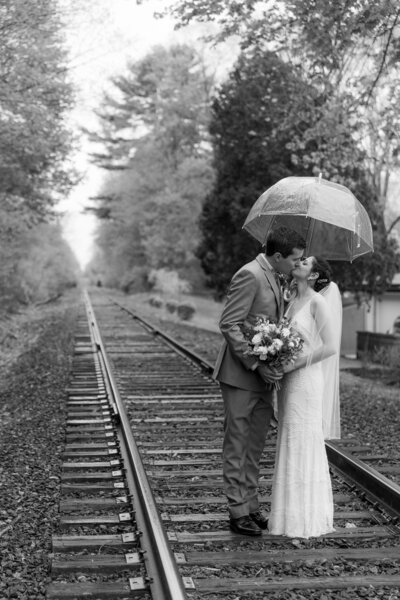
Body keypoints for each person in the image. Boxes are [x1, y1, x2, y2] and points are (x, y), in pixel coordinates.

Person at [213, 227, 306, 536]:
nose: (297, 265)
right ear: (277, 257)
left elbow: (268, 324)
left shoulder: (279, 278)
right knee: (237, 442)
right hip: (241, 376)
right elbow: (230, 324)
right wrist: (255, 363)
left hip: (265, 379)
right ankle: (236, 510)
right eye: (295, 260)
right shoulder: (249, 275)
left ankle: (251, 505)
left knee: (255, 445)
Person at [268, 256, 342, 539]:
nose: (298, 263)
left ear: (313, 275)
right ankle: (286, 516)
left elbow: (331, 347)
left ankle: (306, 518)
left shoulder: (317, 303)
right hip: (288, 380)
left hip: (306, 379)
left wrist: (295, 364)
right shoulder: (291, 300)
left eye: (305, 262)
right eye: (299, 260)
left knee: (303, 439)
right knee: (288, 436)